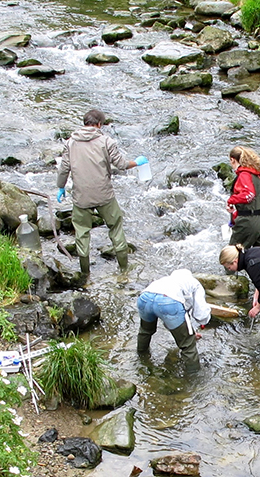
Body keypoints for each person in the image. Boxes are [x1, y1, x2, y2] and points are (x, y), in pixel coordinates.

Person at [56, 109, 148, 275]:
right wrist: (137, 162)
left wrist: (61, 186)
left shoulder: (70, 143)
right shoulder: (106, 141)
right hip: (104, 195)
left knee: (82, 233)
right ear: (99, 124)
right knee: (115, 228)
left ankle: (85, 273)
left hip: (81, 197)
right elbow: (121, 164)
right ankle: (124, 271)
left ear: (85, 123)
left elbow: (64, 169)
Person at [137, 269, 211, 373]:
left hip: (144, 297)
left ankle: (141, 358)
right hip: (168, 302)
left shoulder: (165, 280)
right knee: (188, 345)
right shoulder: (194, 284)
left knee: (145, 331)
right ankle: (194, 376)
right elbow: (200, 313)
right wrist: (204, 322)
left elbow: (173, 313)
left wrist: (190, 331)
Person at [226, 146, 260, 249]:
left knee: (233, 256)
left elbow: (249, 195)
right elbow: (255, 202)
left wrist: (231, 200)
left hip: (248, 222)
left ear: (232, 160)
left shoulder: (244, 175)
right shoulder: (256, 176)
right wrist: (235, 213)